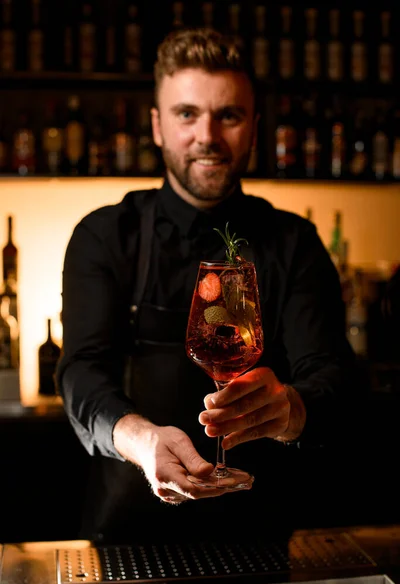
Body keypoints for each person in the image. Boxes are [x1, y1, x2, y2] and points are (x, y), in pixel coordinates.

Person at [56, 27, 356, 544]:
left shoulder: (294, 243)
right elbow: (81, 371)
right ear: (156, 125)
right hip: (128, 540)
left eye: (229, 116)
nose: (208, 135)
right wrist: (141, 437)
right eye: (187, 113)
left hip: (260, 542)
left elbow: (334, 376)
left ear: (254, 127)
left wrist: (292, 410)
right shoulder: (105, 235)